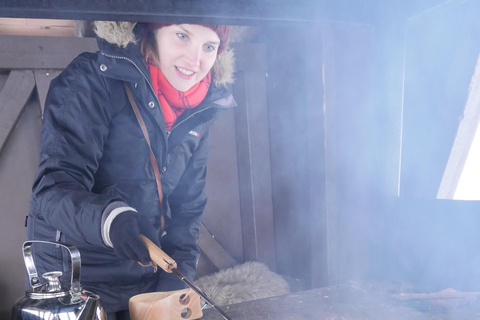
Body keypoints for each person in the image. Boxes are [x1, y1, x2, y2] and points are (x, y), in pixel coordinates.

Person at [26, 20, 236, 319]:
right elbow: (54, 189)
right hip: (74, 281)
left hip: (143, 280)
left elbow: (187, 208)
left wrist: (171, 283)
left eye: (209, 46)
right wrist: (112, 219)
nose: (195, 59)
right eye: (182, 36)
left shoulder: (200, 109)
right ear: (153, 34)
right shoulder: (91, 80)